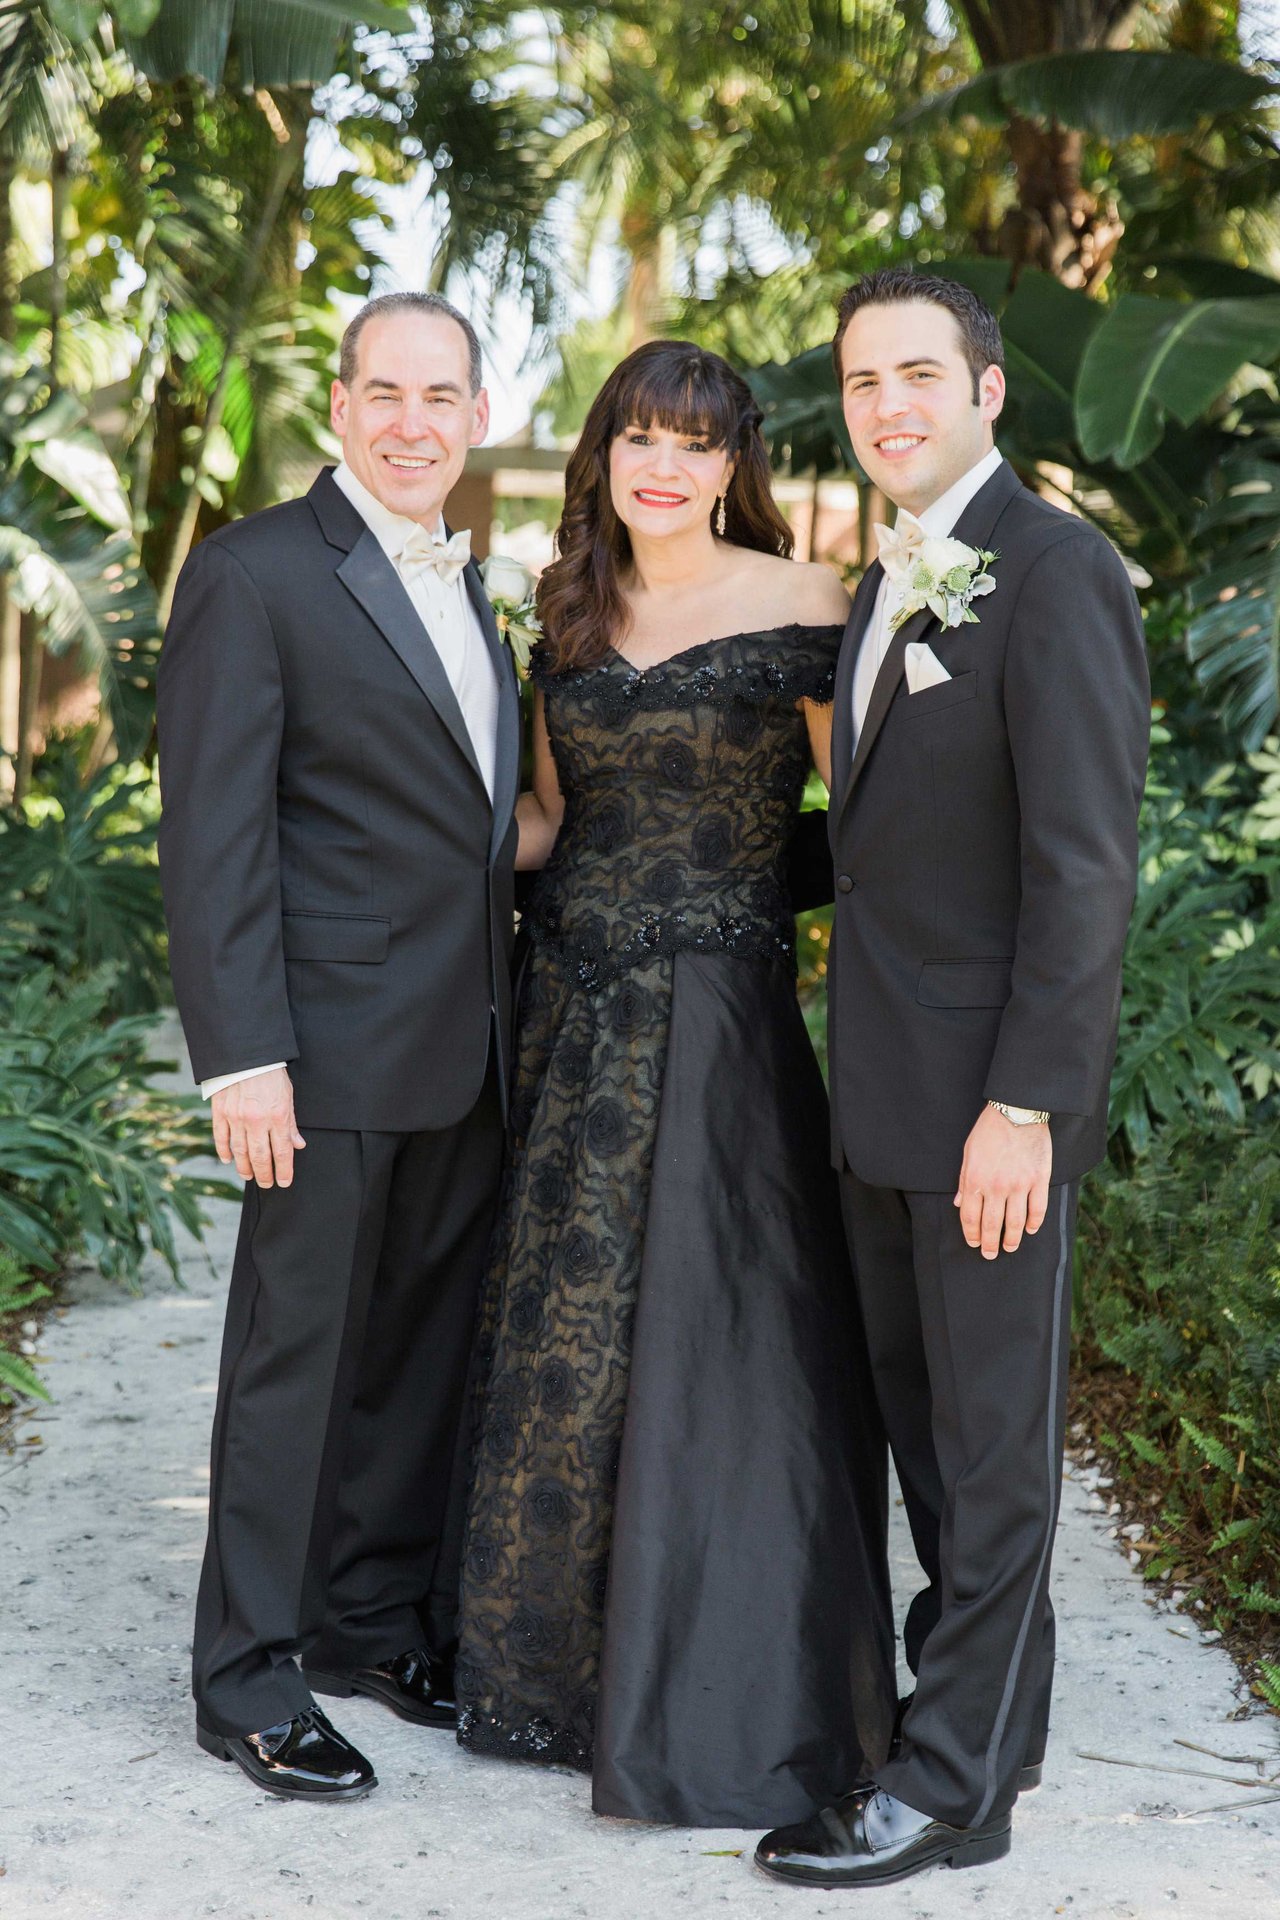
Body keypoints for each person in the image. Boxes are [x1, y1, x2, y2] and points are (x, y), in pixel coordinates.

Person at [453, 339, 897, 1827]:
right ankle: (557, 1680)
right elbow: (549, 823)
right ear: (603, 452)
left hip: (723, 1026)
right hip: (576, 1015)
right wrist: (391, 848)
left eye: (695, 444)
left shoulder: (810, 602)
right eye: (640, 435)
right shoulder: (564, 611)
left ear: (734, 465)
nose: (665, 466)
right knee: (571, 1344)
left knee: (730, 1335)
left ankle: (732, 1686)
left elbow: (876, 830)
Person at [756, 269, 1150, 1887]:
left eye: (921, 373)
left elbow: (1082, 872)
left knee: (990, 1461)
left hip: (991, 1109)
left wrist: (1026, 1108)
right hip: (885, 1102)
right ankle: (1001, 1740)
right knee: (934, 1446)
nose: (888, 405)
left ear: (991, 391)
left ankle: (941, 1787)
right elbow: (878, 845)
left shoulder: (1055, 575)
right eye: (862, 382)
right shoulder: (883, 584)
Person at [157, 292, 522, 1802]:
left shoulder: (482, 586)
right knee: (293, 1366)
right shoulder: (253, 574)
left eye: (441, 397)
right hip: (319, 1053)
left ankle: (368, 1625)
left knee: (416, 1362)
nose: (413, 423)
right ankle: (245, 1674)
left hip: (465, 1045)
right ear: (340, 405)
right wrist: (244, 1059)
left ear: (479, 415)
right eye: (386, 393)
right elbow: (215, 834)